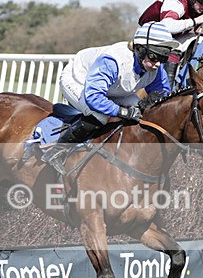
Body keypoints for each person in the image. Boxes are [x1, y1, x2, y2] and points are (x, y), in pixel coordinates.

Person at [41, 21, 178, 175]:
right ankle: (56, 152)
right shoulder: (112, 61)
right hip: (79, 80)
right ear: (140, 50)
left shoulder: (156, 69)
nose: (158, 64)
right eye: (154, 56)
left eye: (163, 58)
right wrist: (122, 112)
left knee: (139, 109)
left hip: (111, 89)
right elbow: (94, 97)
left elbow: (163, 93)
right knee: (101, 114)